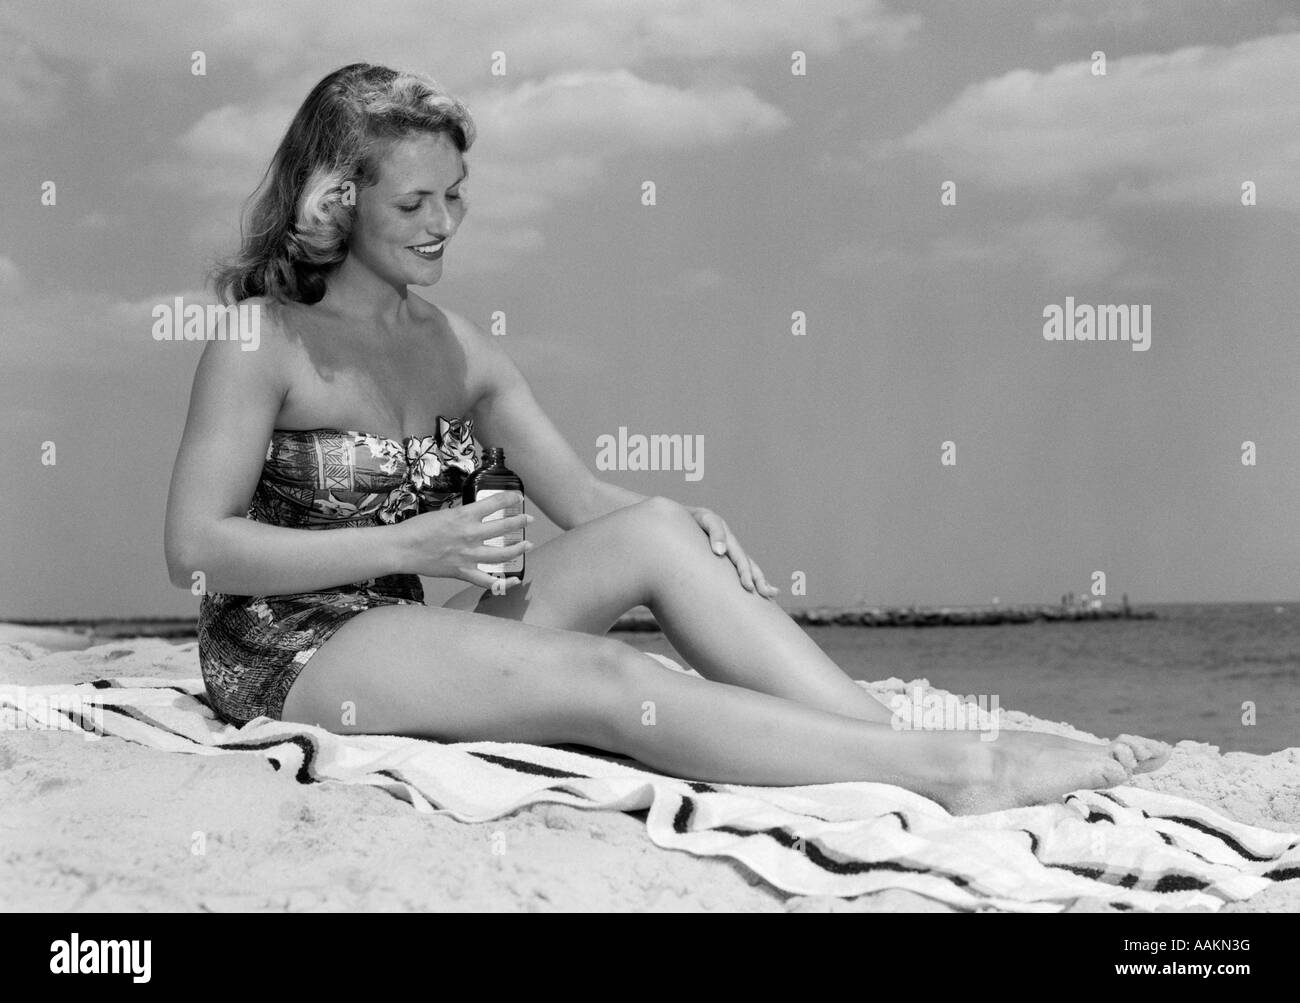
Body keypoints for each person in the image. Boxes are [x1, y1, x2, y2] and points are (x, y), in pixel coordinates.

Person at [164, 63, 1168, 815]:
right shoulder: (266, 339)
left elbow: (585, 502)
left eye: (454, 194)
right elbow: (194, 549)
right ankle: (960, 771)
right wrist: (405, 548)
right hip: (289, 653)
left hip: (406, 635)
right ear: (340, 200)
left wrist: (679, 523)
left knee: (651, 531)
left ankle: (888, 737)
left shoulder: (454, 348)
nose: (443, 224)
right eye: (412, 202)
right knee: (613, 685)